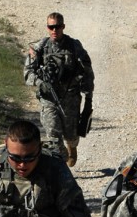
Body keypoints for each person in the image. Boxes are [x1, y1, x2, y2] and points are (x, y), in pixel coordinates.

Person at [23, 11, 94, 167]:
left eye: (58, 26)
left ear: (63, 26)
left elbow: (87, 72)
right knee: (53, 135)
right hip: (49, 100)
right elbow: (27, 73)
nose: (54, 30)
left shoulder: (74, 46)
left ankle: (72, 147)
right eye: (51, 27)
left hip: (70, 99)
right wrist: (40, 83)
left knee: (71, 135)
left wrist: (89, 98)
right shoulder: (39, 48)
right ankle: (60, 165)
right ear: (47, 28)